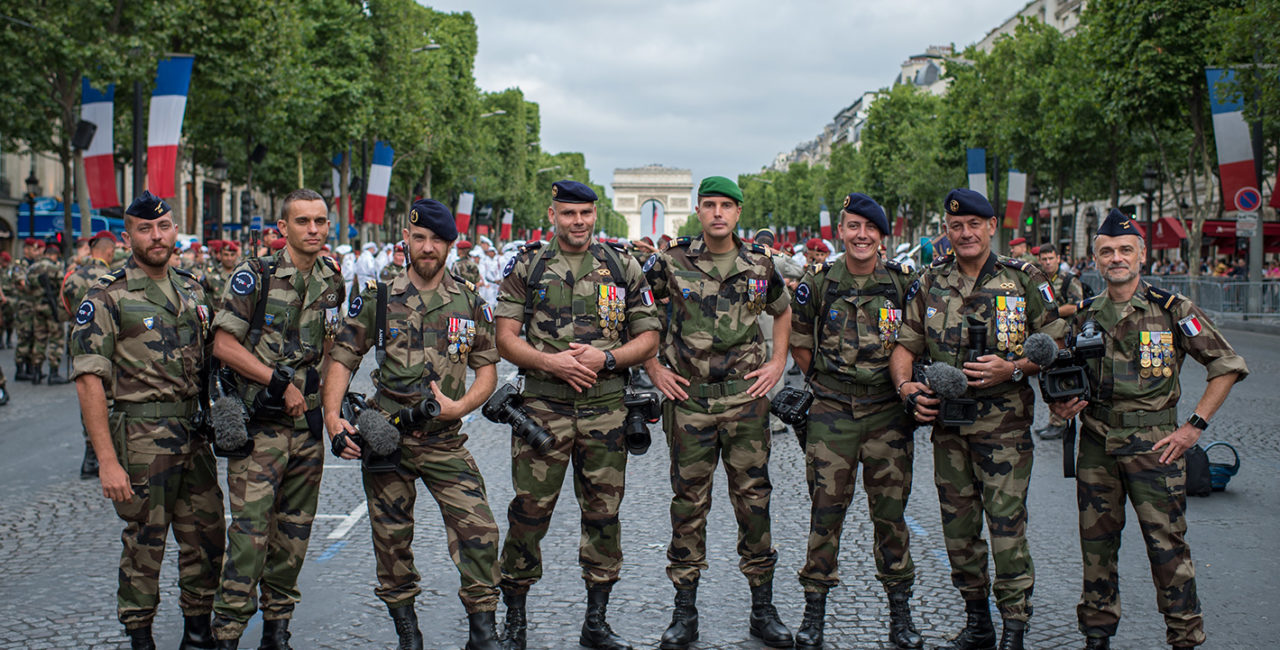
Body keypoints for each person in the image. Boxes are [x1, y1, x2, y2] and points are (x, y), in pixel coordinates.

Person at [1048, 209, 1248, 650]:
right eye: (1106, 252)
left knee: (1168, 551)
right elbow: (1052, 370)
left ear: (1142, 255)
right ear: (1095, 260)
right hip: (1098, 448)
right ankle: (1096, 636)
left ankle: (1183, 638)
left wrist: (1193, 427)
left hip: (1157, 449)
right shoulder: (1081, 316)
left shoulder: (1173, 310)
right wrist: (1059, 404)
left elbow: (1227, 365)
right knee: (1096, 550)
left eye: (1124, 250)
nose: (1116, 258)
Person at [889, 189, 1065, 650]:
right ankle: (977, 622)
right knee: (959, 528)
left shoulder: (1023, 278)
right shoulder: (929, 281)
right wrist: (907, 388)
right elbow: (906, 346)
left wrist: (1016, 367)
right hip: (949, 429)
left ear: (991, 226)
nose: (964, 233)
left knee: (1007, 524)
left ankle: (1014, 627)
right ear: (946, 232)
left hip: (1005, 426)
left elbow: (1054, 340)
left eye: (973, 224)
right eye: (955, 226)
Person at [324, 199, 503, 650]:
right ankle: (408, 634)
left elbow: (487, 371)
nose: (427, 247)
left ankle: (482, 633)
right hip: (387, 439)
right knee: (391, 541)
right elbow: (343, 358)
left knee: (479, 531)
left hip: (445, 438)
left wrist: (459, 407)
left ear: (449, 244)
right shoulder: (377, 297)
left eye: (436, 240)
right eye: (419, 238)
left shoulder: (469, 301)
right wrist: (331, 418)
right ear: (406, 238)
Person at [494, 180, 660, 650]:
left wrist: (606, 360)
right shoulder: (527, 266)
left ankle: (596, 621)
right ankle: (516, 620)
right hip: (543, 409)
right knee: (528, 513)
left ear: (595, 213)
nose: (578, 222)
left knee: (604, 516)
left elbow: (649, 335)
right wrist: (552, 362)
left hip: (606, 408)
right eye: (569, 214)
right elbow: (504, 336)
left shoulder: (621, 264)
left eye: (585, 213)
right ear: (553, 214)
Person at [642, 176, 794, 649]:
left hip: (745, 401)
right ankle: (684, 613)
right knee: (688, 504)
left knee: (755, 502)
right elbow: (638, 310)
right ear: (698, 211)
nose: (717, 213)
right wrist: (653, 369)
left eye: (726, 205)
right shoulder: (670, 262)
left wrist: (776, 363)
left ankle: (763, 610)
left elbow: (783, 311)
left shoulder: (758, 264)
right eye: (709, 205)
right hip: (689, 400)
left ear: (738, 213)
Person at [70, 191, 225, 650]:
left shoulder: (193, 287)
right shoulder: (106, 295)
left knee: (206, 537)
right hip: (141, 440)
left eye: (163, 227)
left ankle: (197, 634)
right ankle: (141, 639)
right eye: (145, 229)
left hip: (194, 436)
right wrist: (106, 460)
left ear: (174, 229)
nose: (156, 237)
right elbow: (88, 381)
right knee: (145, 545)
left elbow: (215, 356)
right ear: (127, 236)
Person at [209, 188, 345, 648]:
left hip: (306, 431)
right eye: (303, 222)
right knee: (249, 537)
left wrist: (332, 410)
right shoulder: (256, 275)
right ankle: (227, 632)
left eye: (320, 222)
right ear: (282, 228)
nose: (313, 230)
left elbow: (330, 351)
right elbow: (224, 345)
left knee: (294, 535)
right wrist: (277, 382)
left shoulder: (332, 278)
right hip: (261, 427)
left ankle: (277, 631)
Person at [788, 193, 921, 649]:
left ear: (883, 237)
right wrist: (831, 387)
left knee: (891, 517)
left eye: (870, 228)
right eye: (852, 227)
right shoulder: (819, 281)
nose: (861, 235)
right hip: (832, 413)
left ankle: (901, 616)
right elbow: (801, 342)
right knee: (825, 515)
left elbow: (917, 340)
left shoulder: (904, 283)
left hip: (888, 413)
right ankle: (814, 613)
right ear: (839, 232)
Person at [61, 230, 119, 478]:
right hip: (109, 343)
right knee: (111, 396)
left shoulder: (73, 277)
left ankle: (90, 454)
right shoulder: (114, 278)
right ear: (109, 252)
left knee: (88, 394)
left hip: (80, 340)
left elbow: (64, 307)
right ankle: (111, 452)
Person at [1033, 242, 1087, 441]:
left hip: (1065, 338)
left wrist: (1050, 313)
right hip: (1047, 338)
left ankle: (1061, 423)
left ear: (1058, 259)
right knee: (1048, 379)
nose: (1047, 263)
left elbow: (1076, 306)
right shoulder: (1039, 278)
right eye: (1044, 259)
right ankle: (1054, 420)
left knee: (1062, 379)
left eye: (1050, 259)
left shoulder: (1068, 280)